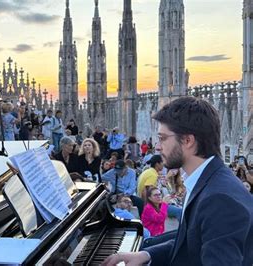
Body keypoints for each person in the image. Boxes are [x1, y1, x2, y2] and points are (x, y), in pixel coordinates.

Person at [102, 97, 253, 266]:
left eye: (163, 138)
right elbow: (192, 244)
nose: (157, 147)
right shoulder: (206, 181)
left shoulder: (219, 199)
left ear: (188, 141)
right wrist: (147, 254)